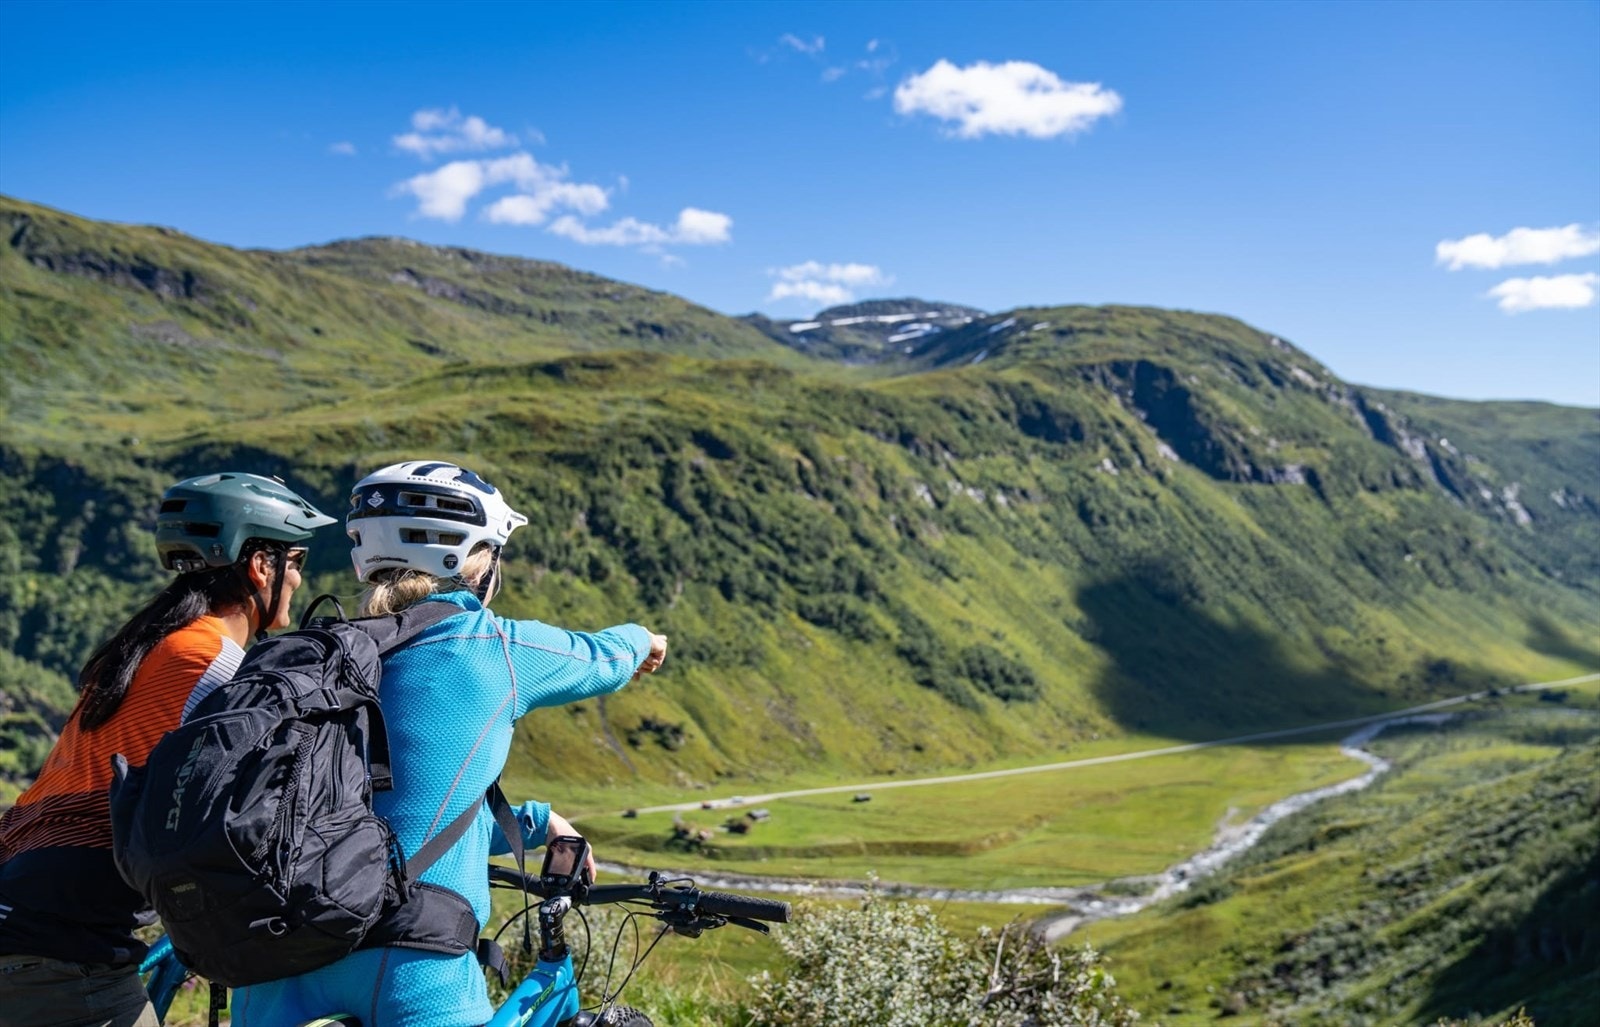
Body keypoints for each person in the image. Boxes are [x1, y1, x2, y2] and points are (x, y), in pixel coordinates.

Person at [233, 460, 667, 1027]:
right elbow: (599, 657)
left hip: (271, 961)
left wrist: (536, 822)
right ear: (475, 561)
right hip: (411, 958)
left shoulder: (316, 657)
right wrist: (644, 640)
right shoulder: (488, 645)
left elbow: (366, 817)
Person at [0, 472, 334, 1027]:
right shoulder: (217, 667)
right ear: (261, 565)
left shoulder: (141, 649)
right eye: (295, 561)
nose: (298, 578)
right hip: (61, 949)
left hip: (24, 898)